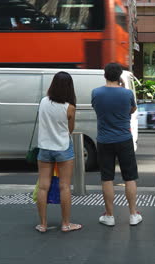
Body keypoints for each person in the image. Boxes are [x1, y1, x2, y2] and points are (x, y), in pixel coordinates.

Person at [91, 63, 142, 227]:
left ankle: (109, 215)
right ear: (120, 76)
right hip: (124, 139)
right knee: (130, 177)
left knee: (107, 178)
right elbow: (132, 109)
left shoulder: (96, 93)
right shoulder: (127, 93)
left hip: (104, 140)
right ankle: (133, 214)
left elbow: (96, 108)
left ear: (105, 75)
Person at [35, 71, 82, 233]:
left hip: (44, 148)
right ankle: (66, 224)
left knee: (43, 187)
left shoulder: (43, 102)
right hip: (62, 147)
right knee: (64, 187)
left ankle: (42, 224)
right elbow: (70, 129)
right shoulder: (70, 107)